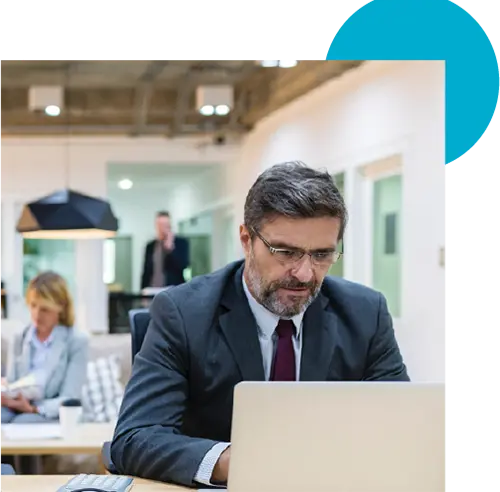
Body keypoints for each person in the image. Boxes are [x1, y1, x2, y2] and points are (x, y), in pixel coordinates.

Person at [111, 161, 409, 488]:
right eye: (286, 252)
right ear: (245, 239)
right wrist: (236, 462)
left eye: (322, 254)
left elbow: (401, 429)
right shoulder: (183, 313)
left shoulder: (366, 314)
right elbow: (135, 438)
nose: (305, 274)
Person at [0, 271, 88, 424]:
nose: (36, 314)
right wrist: (6, 390)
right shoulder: (19, 337)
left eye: (45, 309)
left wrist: (34, 409)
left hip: (52, 413)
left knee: (23, 422)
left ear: (60, 307)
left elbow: (70, 398)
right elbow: (13, 382)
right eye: (33, 306)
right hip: (17, 407)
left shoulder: (76, 341)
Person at [140, 211, 190, 290]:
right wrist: (142, 290)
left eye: (165, 225)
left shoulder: (181, 243)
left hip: (173, 290)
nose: (162, 228)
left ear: (170, 226)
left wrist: (170, 249)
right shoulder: (150, 246)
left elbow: (183, 266)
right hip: (152, 291)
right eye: (160, 225)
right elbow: (146, 271)